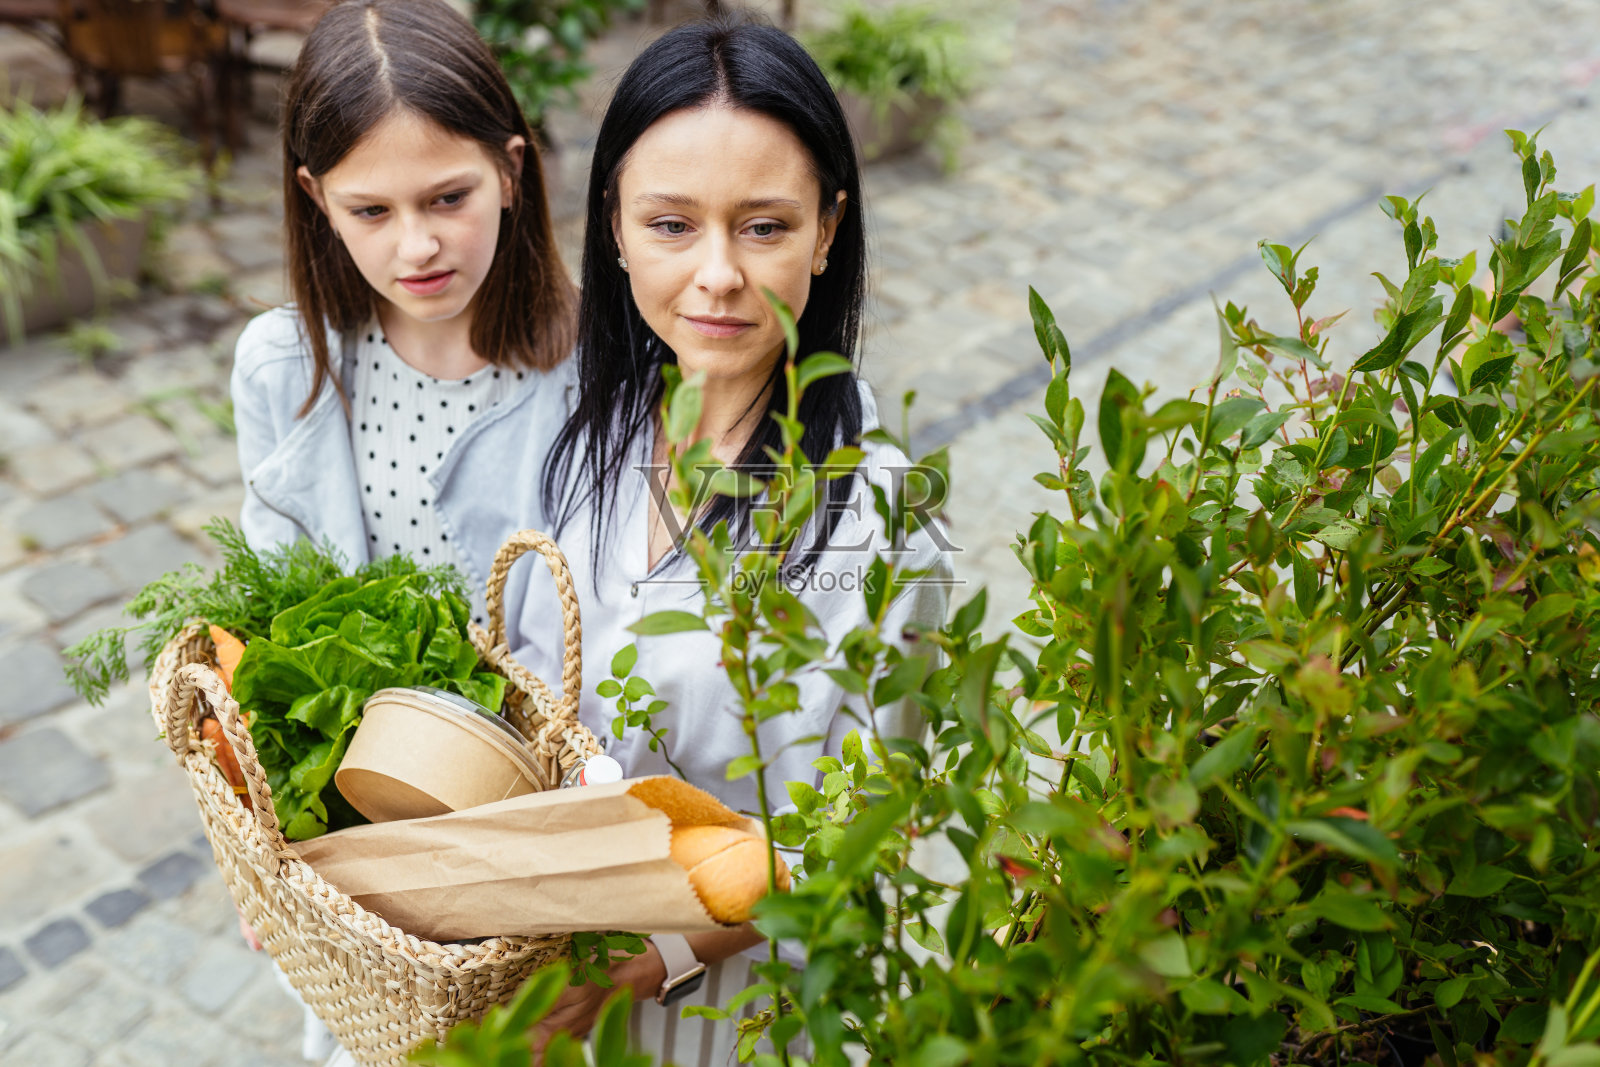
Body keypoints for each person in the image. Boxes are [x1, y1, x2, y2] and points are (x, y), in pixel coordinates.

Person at [506, 15, 954, 1060]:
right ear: (611, 224)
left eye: (763, 227)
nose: (717, 274)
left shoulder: (873, 518)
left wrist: (645, 962)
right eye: (671, 224)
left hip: (735, 1008)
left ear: (828, 228)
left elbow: (858, 820)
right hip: (554, 970)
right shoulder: (589, 428)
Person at [227, 1, 575, 1062]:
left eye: (449, 197)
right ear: (314, 199)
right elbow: (271, 634)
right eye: (369, 210)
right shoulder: (285, 368)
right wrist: (271, 849)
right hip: (366, 841)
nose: (416, 244)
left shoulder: (592, 367)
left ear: (512, 171)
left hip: (540, 845)